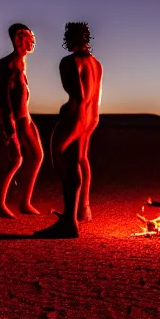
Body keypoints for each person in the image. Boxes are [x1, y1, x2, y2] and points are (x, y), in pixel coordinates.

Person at [35, 22, 103, 238]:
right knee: (81, 158)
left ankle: (69, 221)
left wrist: (68, 108)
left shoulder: (69, 62)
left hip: (77, 115)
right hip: (93, 117)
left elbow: (80, 96)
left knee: (62, 158)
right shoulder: (97, 63)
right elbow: (95, 97)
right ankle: (83, 209)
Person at [0, 23, 44, 218]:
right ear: (18, 39)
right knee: (16, 160)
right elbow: (4, 98)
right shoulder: (8, 64)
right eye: (28, 38)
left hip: (26, 117)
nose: (32, 41)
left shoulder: (22, 62)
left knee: (38, 155)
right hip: (14, 119)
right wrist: (9, 127)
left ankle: (25, 202)